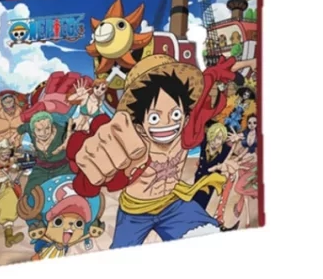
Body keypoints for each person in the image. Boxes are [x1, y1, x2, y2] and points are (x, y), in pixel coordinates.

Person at [67, 55, 250, 248]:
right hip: (134, 212)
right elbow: (102, 156)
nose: (168, 123)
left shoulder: (187, 132)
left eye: (176, 114)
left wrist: (217, 75)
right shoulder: (132, 142)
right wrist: (93, 157)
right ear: (139, 122)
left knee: (209, 235)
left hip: (173, 204)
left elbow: (206, 93)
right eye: (154, 117)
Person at [0, 141, 24, 247]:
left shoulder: (11, 162)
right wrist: (5, 177)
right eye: (4, 154)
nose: (6, 156)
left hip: (5, 190)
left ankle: (9, 237)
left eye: (8, 154)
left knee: (10, 204)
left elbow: (18, 163)